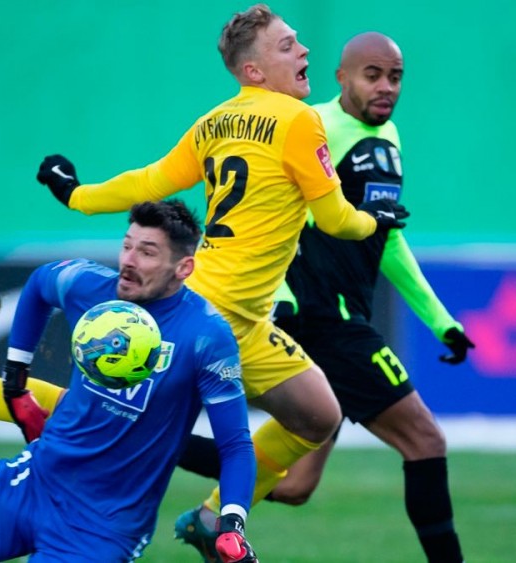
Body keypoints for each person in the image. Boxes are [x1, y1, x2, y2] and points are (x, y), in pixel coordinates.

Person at [34, 5, 409, 559]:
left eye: (298, 41)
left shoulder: (215, 121)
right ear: (253, 70)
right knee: (102, 417)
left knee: (318, 416)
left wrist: (76, 195)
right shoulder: (299, 120)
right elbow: (335, 219)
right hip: (205, 316)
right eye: (287, 45)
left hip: (244, 318)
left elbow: (150, 181)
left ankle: (213, 519)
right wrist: (374, 220)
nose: (304, 50)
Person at [176, 32, 474, 563]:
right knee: (424, 440)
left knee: (294, 485)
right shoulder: (312, 126)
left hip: (340, 315)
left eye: (395, 77)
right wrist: (283, 297)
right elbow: (276, 215)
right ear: (342, 77)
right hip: (322, 319)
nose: (386, 87)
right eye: (372, 75)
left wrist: (440, 321)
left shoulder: (388, 138)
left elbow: (387, 238)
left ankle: (196, 503)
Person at [0, 200, 259, 563]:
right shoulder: (91, 288)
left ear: (183, 268)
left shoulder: (207, 337)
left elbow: (236, 445)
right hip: (33, 483)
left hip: (101, 529)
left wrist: (232, 523)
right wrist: (15, 379)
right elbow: (39, 283)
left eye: (147, 252)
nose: (129, 260)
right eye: (127, 245)